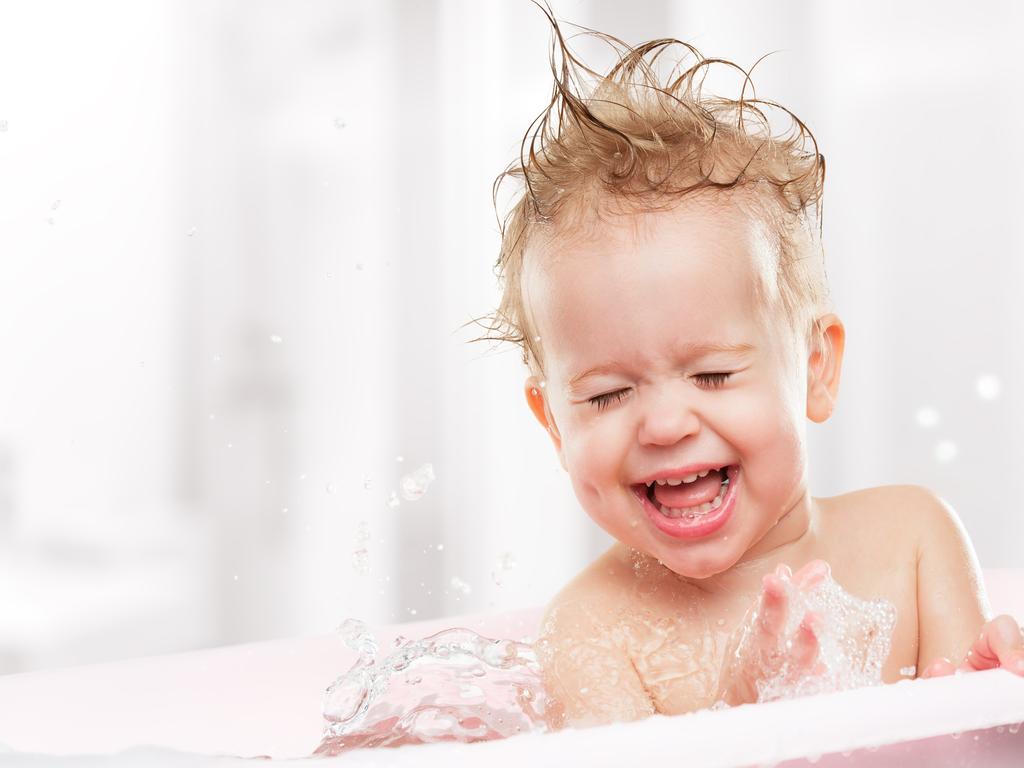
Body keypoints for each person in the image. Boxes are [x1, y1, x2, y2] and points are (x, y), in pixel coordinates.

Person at [473, 11, 1024, 729]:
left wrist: (992, 696)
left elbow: (964, 745)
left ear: (816, 367)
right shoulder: (593, 632)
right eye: (608, 395)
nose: (667, 424)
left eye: (713, 376)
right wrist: (751, 707)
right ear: (554, 424)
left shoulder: (914, 541)